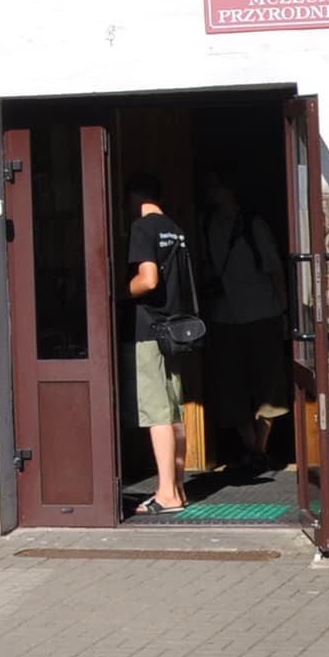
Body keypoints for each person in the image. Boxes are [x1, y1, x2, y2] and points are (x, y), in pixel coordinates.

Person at [198, 173, 289, 467]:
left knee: (268, 384)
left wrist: (284, 311)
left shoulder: (253, 225)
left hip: (262, 314)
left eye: (216, 185)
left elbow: (275, 269)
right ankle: (254, 449)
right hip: (223, 317)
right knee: (229, 384)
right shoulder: (205, 225)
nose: (211, 191)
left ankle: (259, 447)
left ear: (231, 190)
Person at [124, 173, 198, 512]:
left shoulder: (142, 228)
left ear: (135, 198)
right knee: (174, 409)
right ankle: (178, 488)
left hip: (150, 329)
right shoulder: (175, 229)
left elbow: (148, 279)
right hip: (174, 329)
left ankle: (165, 493)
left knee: (156, 412)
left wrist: (122, 290)